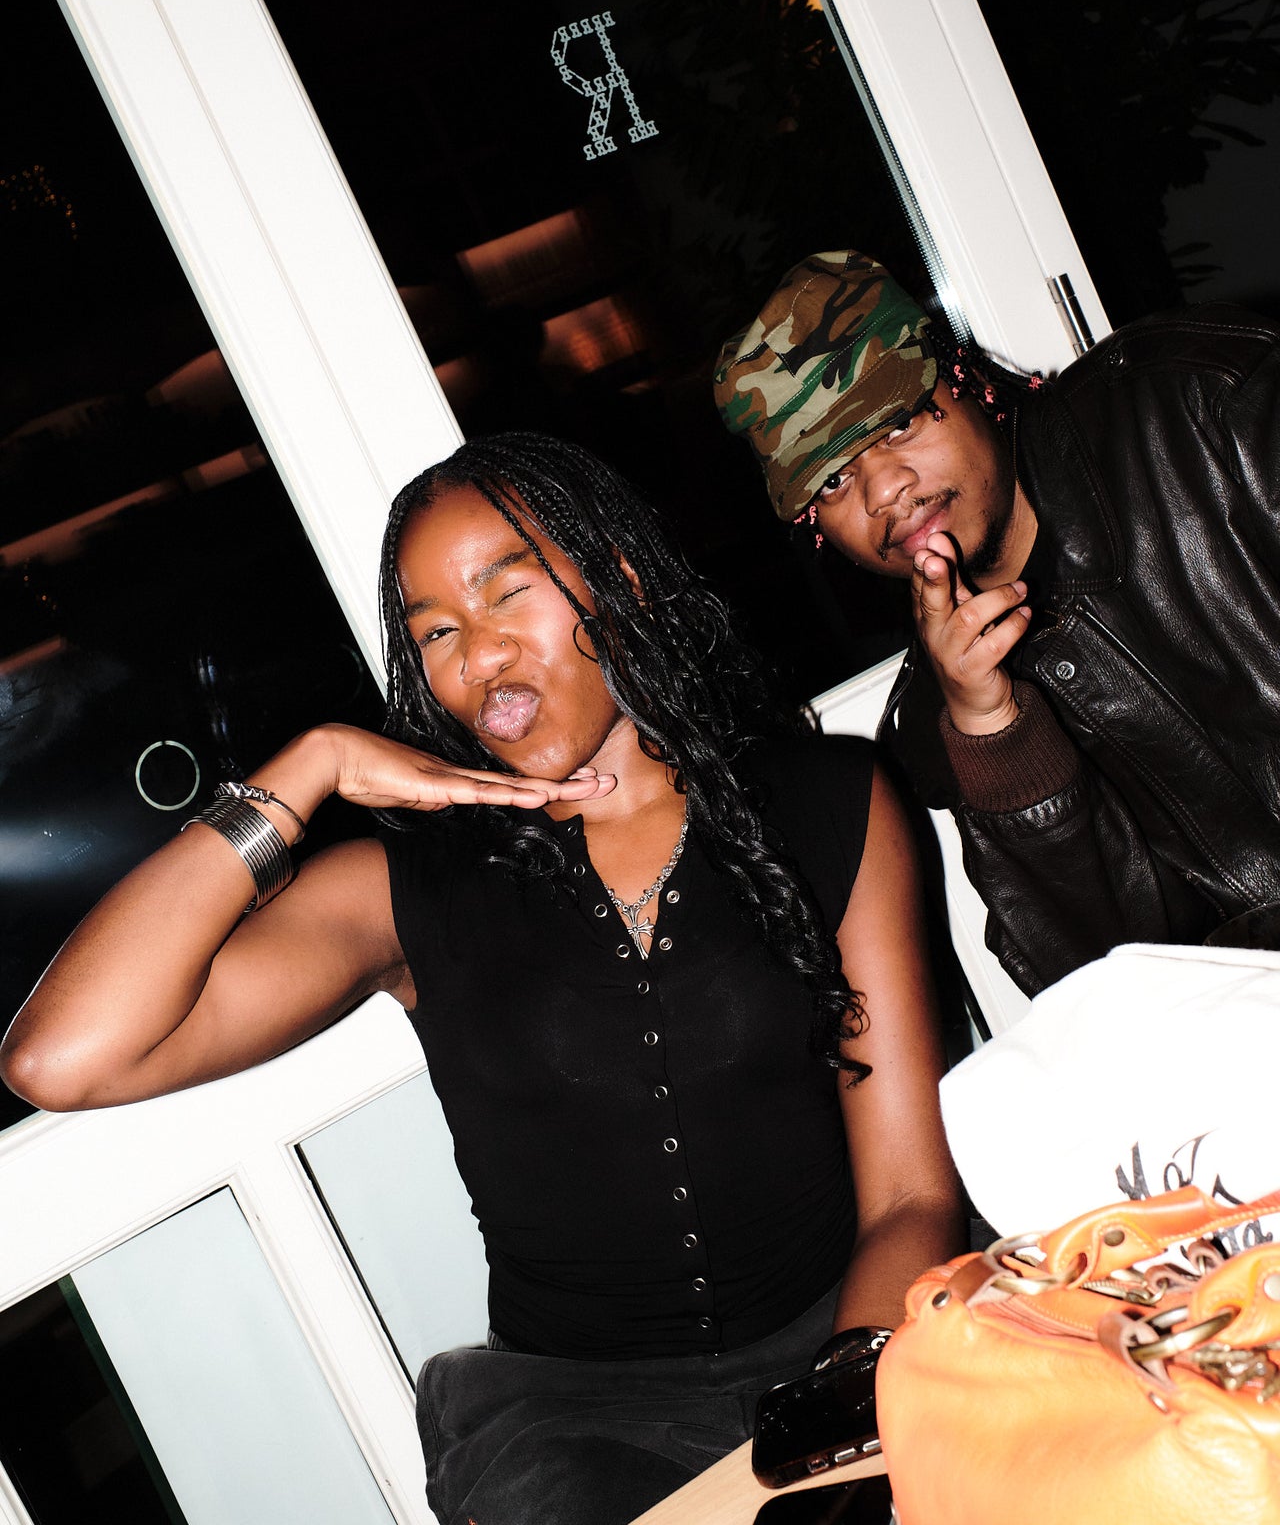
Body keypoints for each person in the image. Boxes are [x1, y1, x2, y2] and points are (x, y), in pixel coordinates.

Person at [0, 432, 962, 1525]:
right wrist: (310, 766)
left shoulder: (828, 799)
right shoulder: (413, 885)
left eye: (509, 592)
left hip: (844, 1339)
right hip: (574, 1431)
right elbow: (62, 1056)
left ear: (616, 577)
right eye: (438, 632)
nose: (481, 654)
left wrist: (841, 1420)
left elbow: (909, 1197)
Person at [714, 249, 1280, 994]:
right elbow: (1104, 985)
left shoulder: (1195, 407)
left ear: (967, 380)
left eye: (897, 425)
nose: (884, 492)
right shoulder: (938, 716)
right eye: (833, 480)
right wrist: (994, 734)